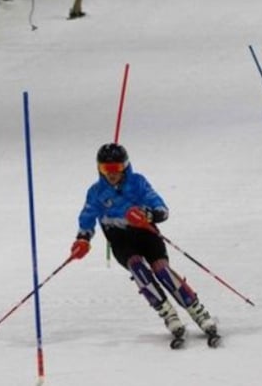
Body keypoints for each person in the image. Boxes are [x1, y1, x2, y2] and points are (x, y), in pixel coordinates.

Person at [67, 143, 218, 342]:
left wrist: (148, 215)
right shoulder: (95, 192)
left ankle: (197, 311)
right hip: (120, 239)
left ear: (125, 166)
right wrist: (83, 239)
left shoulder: (137, 182)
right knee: (138, 268)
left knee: (161, 269)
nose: (111, 174)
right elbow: (87, 218)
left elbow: (161, 208)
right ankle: (168, 314)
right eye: (106, 169)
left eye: (116, 169)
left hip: (145, 233)